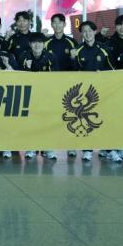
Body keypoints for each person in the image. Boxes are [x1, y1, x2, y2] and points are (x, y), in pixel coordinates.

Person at [70, 20, 116, 162]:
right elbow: (72, 72)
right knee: (86, 121)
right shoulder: (77, 50)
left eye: (90, 31)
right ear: (81, 34)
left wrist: (102, 73)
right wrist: (72, 58)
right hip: (85, 94)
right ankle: (87, 150)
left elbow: (113, 69)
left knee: (105, 120)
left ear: (95, 32)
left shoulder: (105, 49)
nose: (87, 34)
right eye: (84, 31)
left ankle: (108, 149)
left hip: (103, 91)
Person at [19, 32, 59, 161]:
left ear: (44, 44)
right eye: (34, 42)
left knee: (47, 121)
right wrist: (27, 68)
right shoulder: (23, 56)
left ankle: (48, 148)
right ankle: (31, 147)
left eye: (40, 42)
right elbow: (18, 76)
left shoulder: (51, 57)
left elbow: (55, 76)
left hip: (46, 95)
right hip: (29, 96)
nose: (37, 45)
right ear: (30, 44)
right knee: (31, 122)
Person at [45, 13, 78, 158]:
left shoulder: (72, 42)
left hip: (68, 85)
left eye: (60, 22)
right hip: (50, 86)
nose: (57, 25)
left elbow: (77, 65)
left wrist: (72, 58)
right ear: (51, 25)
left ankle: (71, 146)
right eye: (54, 22)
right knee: (50, 116)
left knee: (70, 115)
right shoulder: (46, 42)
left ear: (64, 24)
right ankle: (49, 146)